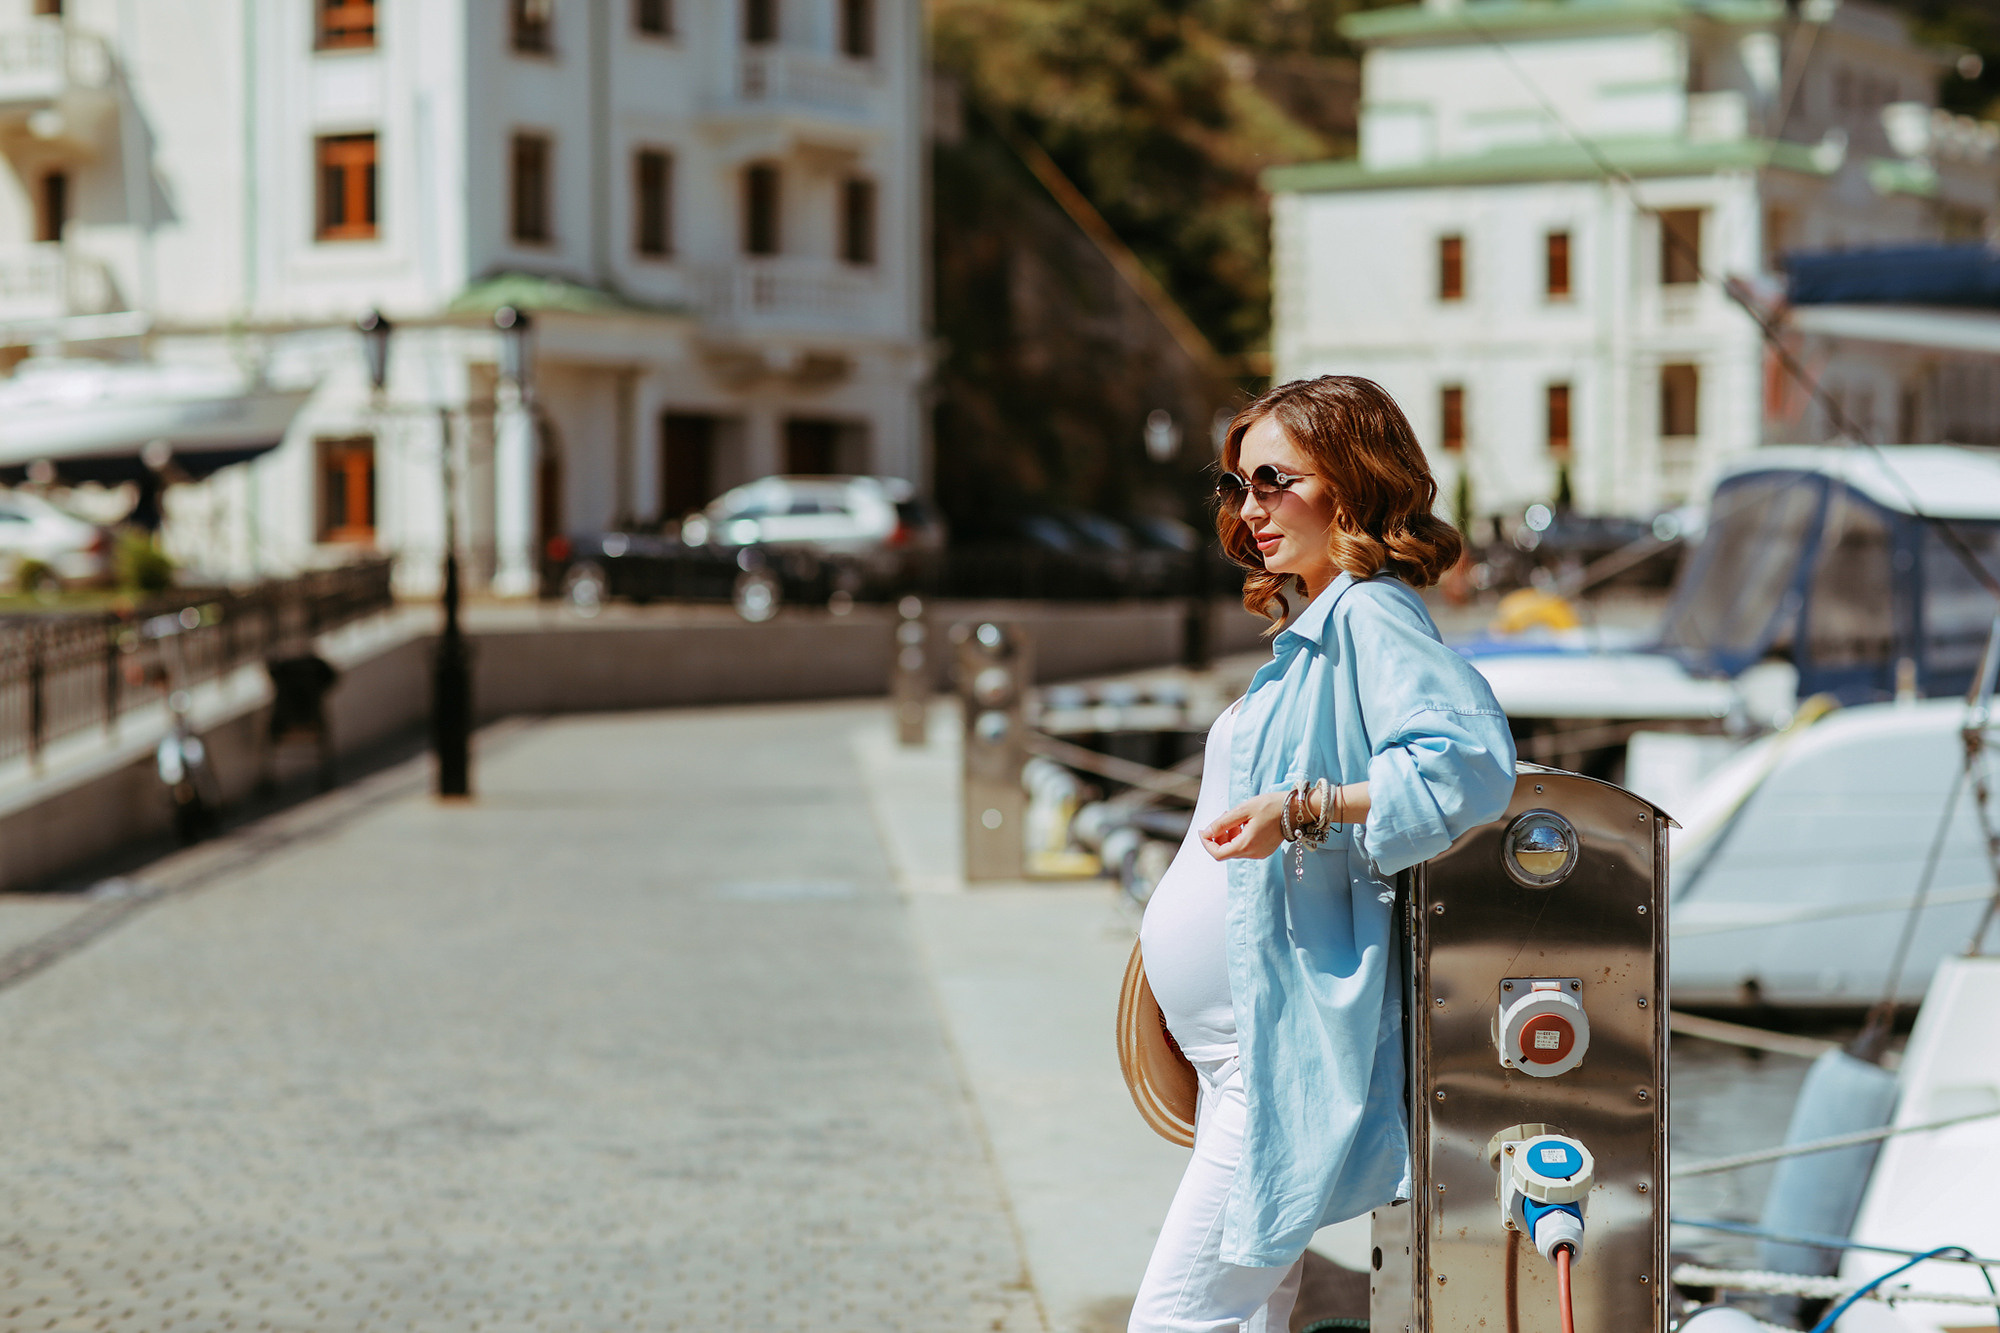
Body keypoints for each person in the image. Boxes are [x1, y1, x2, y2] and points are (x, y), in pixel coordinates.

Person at [1130, 376, 1517, 1333]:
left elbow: (1468, 766)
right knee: (1245, 1311)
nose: (1250, 507)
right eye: (1236, 485)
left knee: (1180, 1318)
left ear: (1347, 482)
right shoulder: (1313, 631)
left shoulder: (1368, 614)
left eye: (1273, 480)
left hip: (1274, 1049)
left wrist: (1303, 808)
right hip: (1247, 1048)